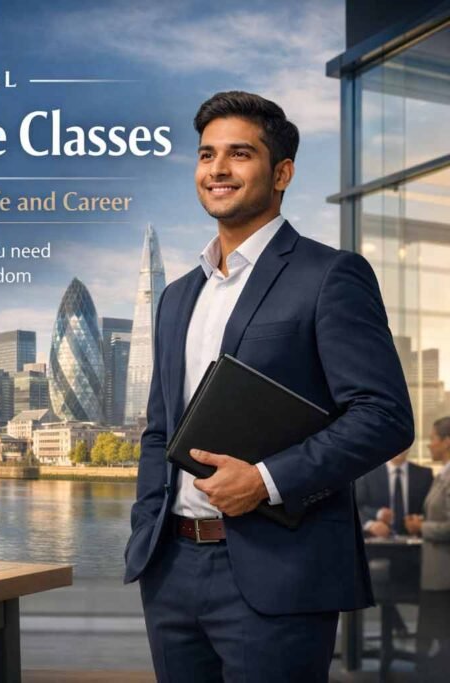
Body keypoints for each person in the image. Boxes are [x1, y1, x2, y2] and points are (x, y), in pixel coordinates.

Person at [123, 92, 413, 681]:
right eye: (206, 155)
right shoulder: (178, 295)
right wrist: (147, 532)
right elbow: (160, 429)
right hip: (171, 569)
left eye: (239, 154)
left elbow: (383, 416)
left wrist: (265, 481)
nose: (217, 170)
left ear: (281, 173)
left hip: (280, 570)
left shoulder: (330, 274)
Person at [407, 417, 450, 676]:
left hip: (444, 576)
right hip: (436, 573)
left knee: (436, 642)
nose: (429, 446)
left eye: (433, 439)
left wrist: (421, 528)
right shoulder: (442, 475)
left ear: (446, 442)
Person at [356, 449, 433, 538]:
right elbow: (358, 507)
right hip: (378, 542)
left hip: (415, 542)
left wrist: (419, 521)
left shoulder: (424, 475)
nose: (399, 447)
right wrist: (371, 524)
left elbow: (431, 509)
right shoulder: (367, 474)